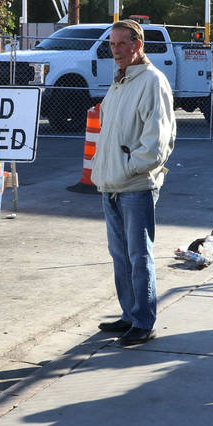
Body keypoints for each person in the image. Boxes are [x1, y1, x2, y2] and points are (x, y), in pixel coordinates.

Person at [91, 20, 176, 346]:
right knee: (120, 255)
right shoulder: (120, 81)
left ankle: (143, 321)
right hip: (111, 185)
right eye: (112, 45)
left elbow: (158, 141)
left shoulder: (152, 81)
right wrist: (107, 171)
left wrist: (129, 168)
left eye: (121, 44)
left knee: (139, 256)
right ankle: (130, 314)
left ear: (137, 44)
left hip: (136, 186)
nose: (116, 51)